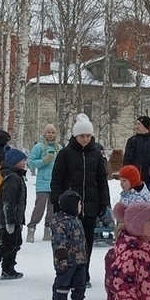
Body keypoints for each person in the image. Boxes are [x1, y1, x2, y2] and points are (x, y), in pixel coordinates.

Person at [50, 114, 110, 281]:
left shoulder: (97, 155)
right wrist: (57, 201)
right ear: (76, 136)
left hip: (90, 204)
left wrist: (104, 202)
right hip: (70, 207)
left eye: (88, 136)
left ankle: (84, 273)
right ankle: (66, 272)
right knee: (68, 242)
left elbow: (101, 179)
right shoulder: (65, 153)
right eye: (82, 136)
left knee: (87, 242)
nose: (85, 139)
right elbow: (57, 178)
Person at [0, 147, 27, 281]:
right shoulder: (12, 178)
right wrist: (9, 222)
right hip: (10, 219)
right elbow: (8, 202)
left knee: (15, 242)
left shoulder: (16, 176)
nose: (24, 162)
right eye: (22, 160)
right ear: (14, 162)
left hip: (15, 219)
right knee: (8, 244)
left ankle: (8, 269)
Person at [51, 190, 89, 300]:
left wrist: (85, 250)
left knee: (80, 281)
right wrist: (62, 259)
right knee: (63, 280)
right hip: (66, 260)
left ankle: (78, 299)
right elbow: (59, 243)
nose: (81, 207)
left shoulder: (76, 220)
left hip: (79, 258)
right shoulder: (62, 223)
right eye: (79, 204)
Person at [26, 123, 60, 242]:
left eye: (53, 132)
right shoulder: (39, 147)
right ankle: (31, 229)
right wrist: (44, 161)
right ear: (44, 134)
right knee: (39, 208)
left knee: (52, 209)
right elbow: (30, 162)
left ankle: (48, 230)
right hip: (42, 183)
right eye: (48, 132)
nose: (51, 135)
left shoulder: (58, 148)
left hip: (55, 183)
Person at [123, 116, 150, 187]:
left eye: (139, 124)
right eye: (136, 124)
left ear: (145, 125)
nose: (136, 126)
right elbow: (126, 160)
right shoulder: (132, 140)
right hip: (135, 178)